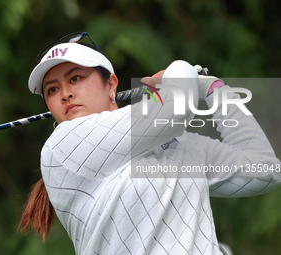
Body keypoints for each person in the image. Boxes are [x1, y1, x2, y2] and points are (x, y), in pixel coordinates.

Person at [18, 32, 281, 255]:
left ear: (111, 85)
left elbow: (265, 169)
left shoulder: (177, 144)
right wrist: (181, 69)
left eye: (75, 78)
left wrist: (213, 88)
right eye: (52, 89)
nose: (65, 94)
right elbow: (175, 108)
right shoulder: (62, 147)